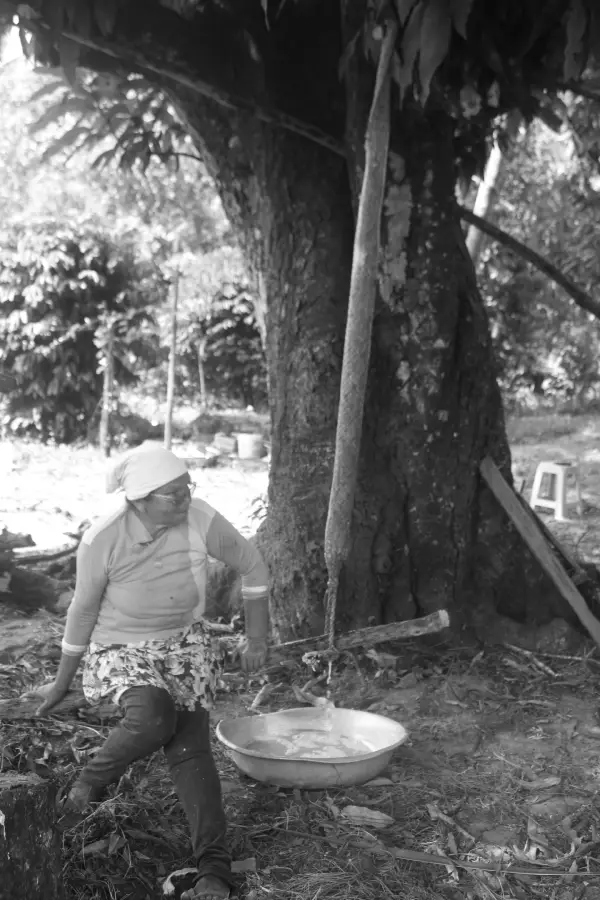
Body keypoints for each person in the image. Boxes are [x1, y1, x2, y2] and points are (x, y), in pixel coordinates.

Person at [27, 446, 269, 900]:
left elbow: (252, 564)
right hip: (120, 647)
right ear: (138, 499)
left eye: (187, 490)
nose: (184, 501)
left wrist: (257, 638)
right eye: (171, 495)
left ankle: (214, 869)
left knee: (191, 751)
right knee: (152, 717)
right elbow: (82, 610)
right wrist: (62, 681)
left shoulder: (200, 518)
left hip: (184, 645)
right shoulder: (104, 537)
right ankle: (92, 779)